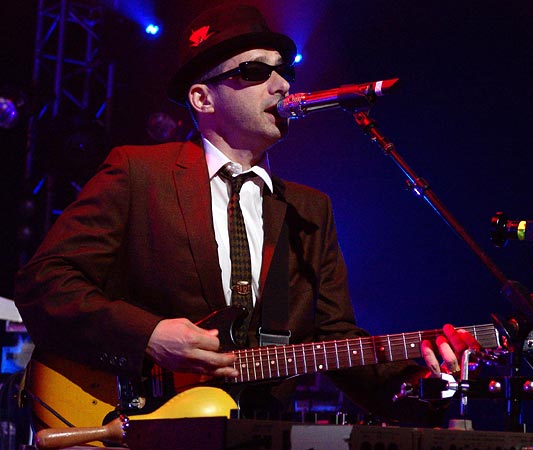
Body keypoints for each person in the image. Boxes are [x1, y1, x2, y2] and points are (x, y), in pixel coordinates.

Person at [14, 4, 479, 428]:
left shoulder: (309, 210)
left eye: (283, 71)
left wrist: (421, 375)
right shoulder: (139, 173)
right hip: (135, 420)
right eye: (256, 71)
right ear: (203, 98)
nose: (283, 85)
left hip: (258, 430)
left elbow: (335, 339)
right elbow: (44, 283)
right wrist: (149, 335)